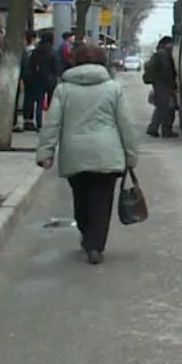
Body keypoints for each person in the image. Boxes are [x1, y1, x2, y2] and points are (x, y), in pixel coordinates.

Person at [36, 42, 139, 265]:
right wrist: (131, 155)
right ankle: (96, 246)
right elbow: (126, 124)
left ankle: (85, 232)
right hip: (107, 154)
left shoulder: (63, 89)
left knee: (81, 198)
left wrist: (46, 152)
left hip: (75, 153)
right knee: (102, 202)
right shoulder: (113, 88)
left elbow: (52, 123)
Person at [144, 35, 178, 138]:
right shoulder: (163, 54)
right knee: (167, 108)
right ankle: (165, 130)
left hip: (159, 84)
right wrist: (172, 85)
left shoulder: (160, 53)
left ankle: (154, 128)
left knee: (161, 107)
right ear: (167, 44)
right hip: (163, 85)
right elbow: (166, 71)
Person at [23, 30, 59, 130]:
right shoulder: (52, 51)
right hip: (50, 80)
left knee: (39, 102)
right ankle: (51, 122)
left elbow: (31, 65)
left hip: (38, 79)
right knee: (51, 102)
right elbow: (56, 66)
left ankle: (39, 122)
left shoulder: (36, 51)